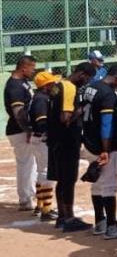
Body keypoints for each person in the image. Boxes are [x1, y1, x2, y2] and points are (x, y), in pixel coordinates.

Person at [81, 65, 117, 239]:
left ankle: (100, 222)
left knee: (97, 184)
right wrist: (105, 149)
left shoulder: (91, 87)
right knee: (109, 185)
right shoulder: (108, 94)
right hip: (105, 145)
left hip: (88, 141)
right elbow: (106, 123)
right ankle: (111, 226)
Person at [47, 62, 96, 232]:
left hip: (56, 140)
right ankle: (68, 218)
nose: (86, 82)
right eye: (87, 78)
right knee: (68, 180)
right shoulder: (69, 88)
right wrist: (81, 110)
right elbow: (65, 117)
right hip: (66, 141)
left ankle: (62, 216)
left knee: (62, 179)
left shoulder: (57, 85)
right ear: (82, 74)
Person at [4, 54, 37, 212]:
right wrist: (28, 129)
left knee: (30, 163)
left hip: (21, 129)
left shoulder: (21, 82)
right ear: (24, 68)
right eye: (32, 68)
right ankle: (25, 199)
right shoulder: (15, 86)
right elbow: (18, 112)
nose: (33, 72)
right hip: (19, 130)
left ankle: (29, 196)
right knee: (26, 164)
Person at [30, 71, 59, 221]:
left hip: (38, 139)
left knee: (42, 171)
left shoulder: (40, 97)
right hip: (42, 139)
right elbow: (42, 122)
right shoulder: (41, 100)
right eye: (52, 83)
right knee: (47, 173)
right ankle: (46, 209)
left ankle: (40, 205)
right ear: (46, 86)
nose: (54, 85)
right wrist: (50, 135)